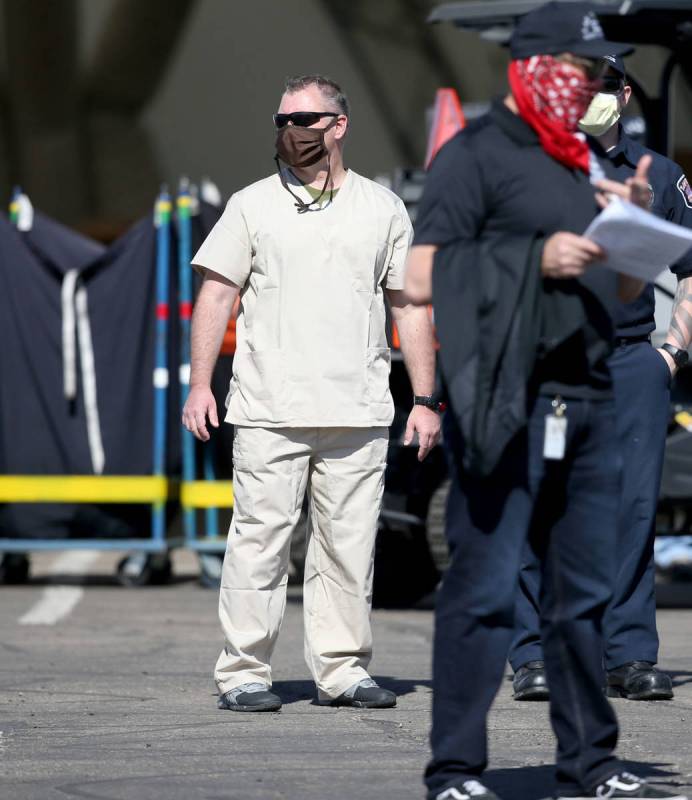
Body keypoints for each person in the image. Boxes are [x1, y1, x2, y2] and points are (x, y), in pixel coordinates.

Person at [405, 3, 688, 799]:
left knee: (584, 598)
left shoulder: (585, 165)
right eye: (579, 69)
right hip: (506, 401)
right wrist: (535, 256)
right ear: (532, 69)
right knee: (486, 591)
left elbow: (624, 284)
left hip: (591, 399)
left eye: (600, 74)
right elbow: (422, 275)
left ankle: (590, 763)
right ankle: (456, 770)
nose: (592, 86)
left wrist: (630, 224)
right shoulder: (476, 156)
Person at [182, 74, 441, 713]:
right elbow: (216, 294)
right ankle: (243, 671)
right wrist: (198, 385)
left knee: (350, 548)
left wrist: (426, 399)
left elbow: (408, 306)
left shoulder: (382, 209)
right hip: (271, 407)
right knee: (259, 543)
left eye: (305, 118)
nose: (290, 131)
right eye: (281, 120)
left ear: (339, 125)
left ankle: (342, 670)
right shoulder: (251, 205)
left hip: (357, 407)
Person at [510, 55, 692, 704]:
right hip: (552, 359)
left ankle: (628, 654)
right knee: (540, 502)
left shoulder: (659, 175)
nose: (590, 99)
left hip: (630, 361)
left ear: (623, 95)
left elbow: (691, 266)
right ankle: (532, 653)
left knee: (634, 509)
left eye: (601, 88)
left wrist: (672, 350)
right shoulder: (542, 165)